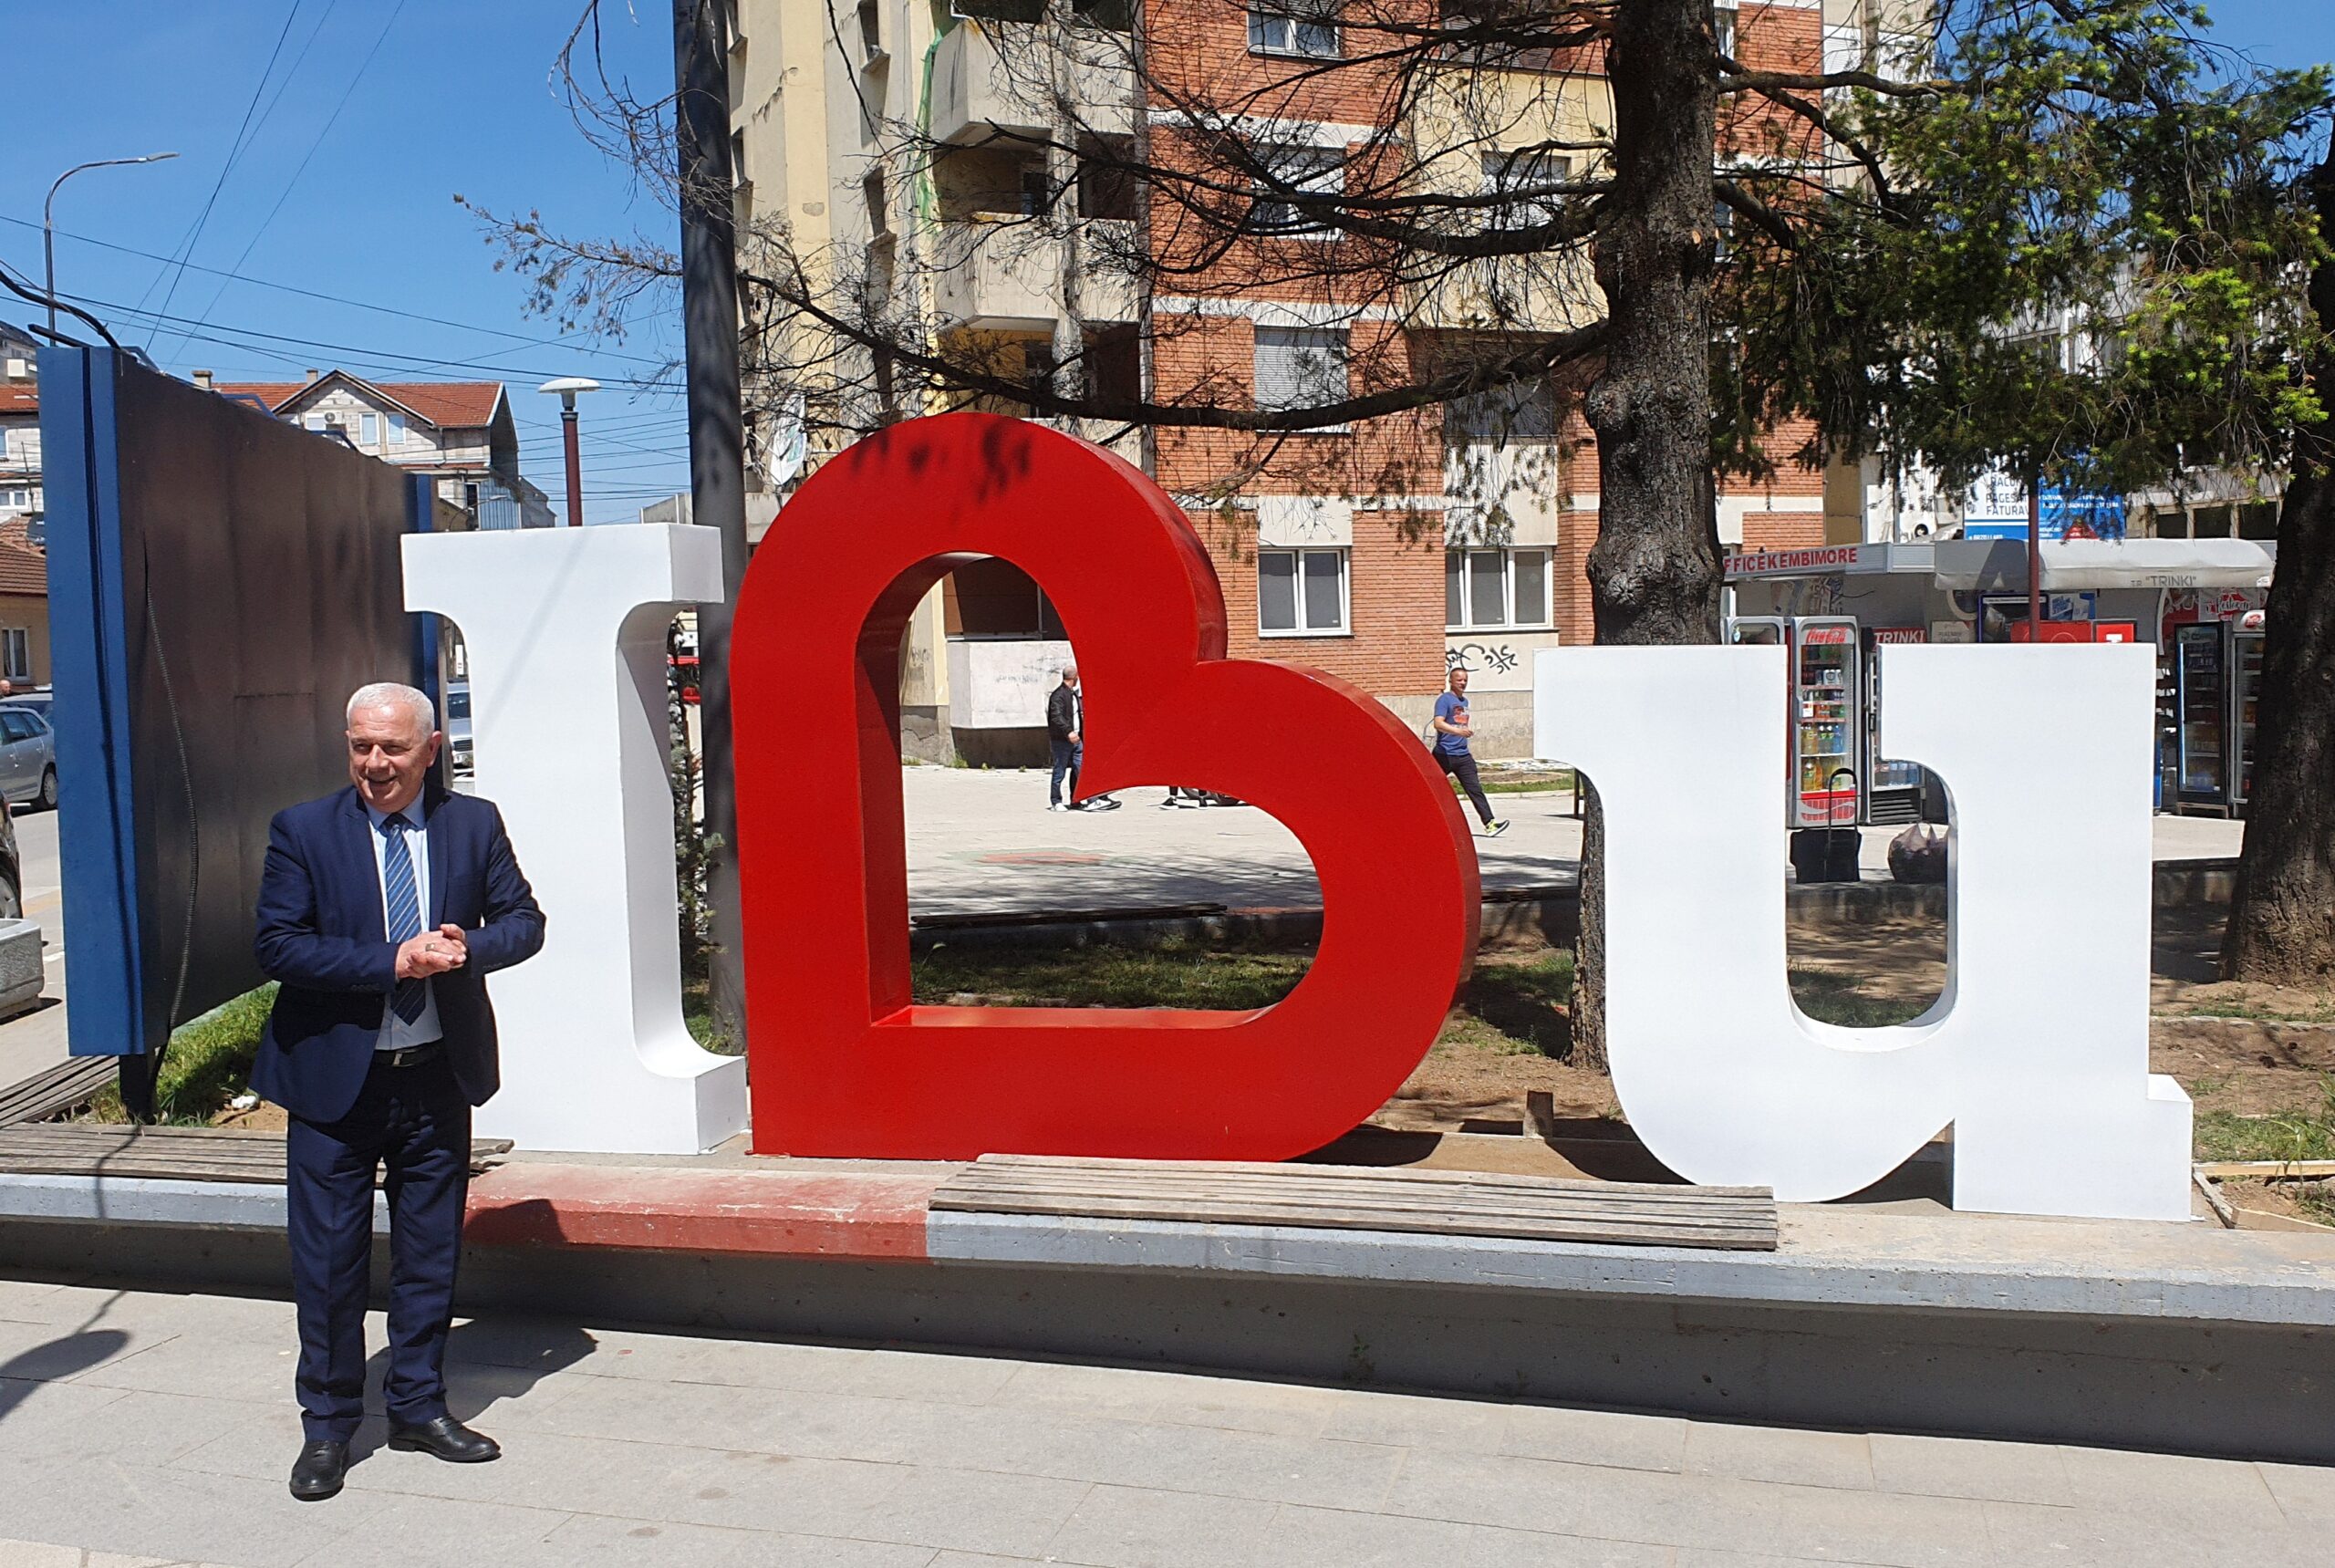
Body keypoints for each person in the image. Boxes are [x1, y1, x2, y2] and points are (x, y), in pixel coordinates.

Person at [253, 681, 545, 1502]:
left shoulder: (471, 824)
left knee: (429, 1254)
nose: (375, 763)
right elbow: (278, 945)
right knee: (329, 1265)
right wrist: (392, 961)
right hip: (334, 1088)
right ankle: (328, 1426)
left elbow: (525, 921)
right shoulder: (304, 830)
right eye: (361, 746)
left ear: (430, 750)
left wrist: (469, 945)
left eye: (392, 748)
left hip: (435, 1077)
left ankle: (417, 1405)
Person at [1432, 666, 1507, 836]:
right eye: (1459, 680)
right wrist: (1458, 732)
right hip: (1444, 754)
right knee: (1430, 789)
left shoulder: (1465, 702)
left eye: (1465, 680)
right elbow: (1438, 723)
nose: (1463, 683)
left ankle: (1490, 824)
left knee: (1475, 789)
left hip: (1463, 755)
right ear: (1451, 681)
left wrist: (1462, 733)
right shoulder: (1444, 700)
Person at [1043, 665, 1119, 812]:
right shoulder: (1059, 695)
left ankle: (1090, 800)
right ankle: (1056, 801)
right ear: (1075, 677)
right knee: (1060, 771)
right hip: (1062, 741)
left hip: (1077, 740)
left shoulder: (1072, 694)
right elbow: (1057, 717)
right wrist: (1068, 732)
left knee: (1082, 771)